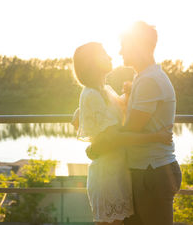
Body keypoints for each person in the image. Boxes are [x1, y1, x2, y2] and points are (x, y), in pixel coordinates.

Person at [90, 21, 181, 225]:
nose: (120, 51)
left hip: (153, 172)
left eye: (124, 45)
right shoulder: (143, 78)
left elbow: (129, 129)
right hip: (146, 170)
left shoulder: (150, 80)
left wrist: (99, 143)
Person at [73, 42, 173, 225]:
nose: (111, 56)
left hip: (119, 174)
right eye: (103, 54)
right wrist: (156, 137)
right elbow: (116, 137)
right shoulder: (91, 94)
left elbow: (120, 116)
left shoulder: (106, 91)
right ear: (92, 63)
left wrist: (128, 95)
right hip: (107, 177)